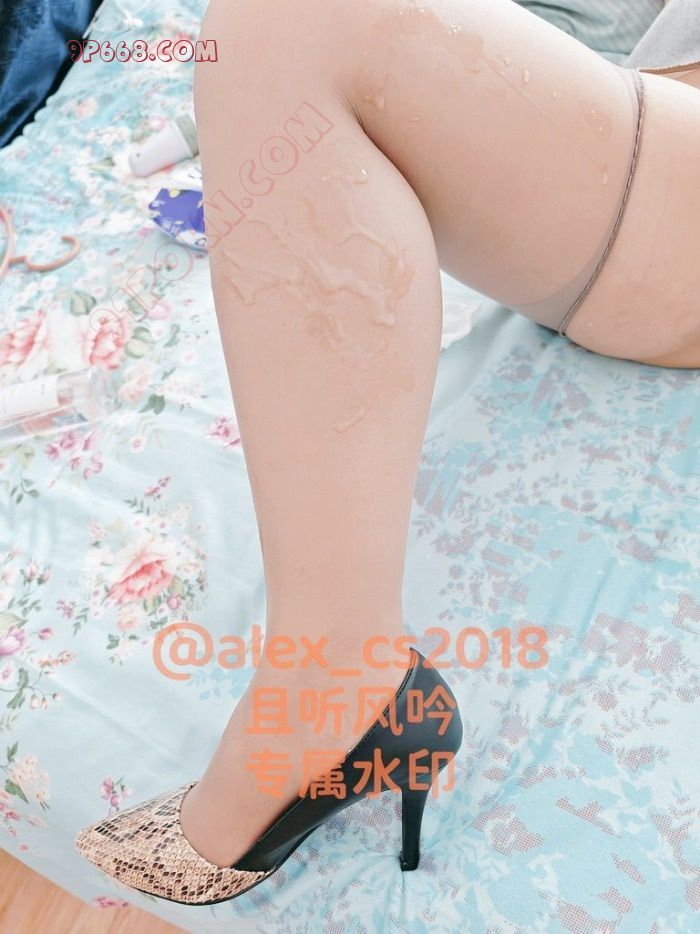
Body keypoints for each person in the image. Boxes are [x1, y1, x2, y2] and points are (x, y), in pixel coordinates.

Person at [76, 0, 700, 904]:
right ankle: (341, 674)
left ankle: (334, 671)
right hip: (638, 135)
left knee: (283, 18)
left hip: (666, 178)